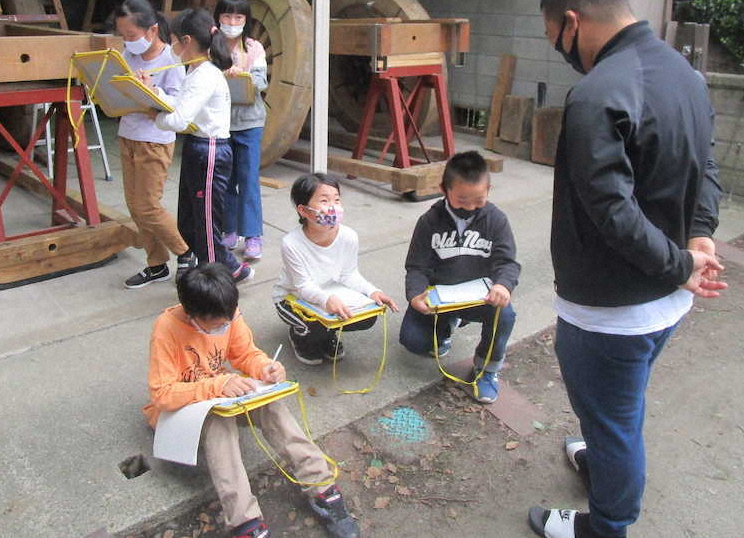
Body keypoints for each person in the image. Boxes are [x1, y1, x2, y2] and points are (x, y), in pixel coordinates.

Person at [527, 0, 727, 538]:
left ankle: (607, 524)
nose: (561, 51)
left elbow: (609, 209)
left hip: (612, 308)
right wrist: (698, 235)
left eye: (555, 38)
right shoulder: (684, 74)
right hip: (667, 300)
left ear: (573, 22)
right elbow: (707, 164)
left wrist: (679, 262)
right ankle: (603, 462)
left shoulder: (597, 93)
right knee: (619, 405)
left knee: (613, 420)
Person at [142, 263, 361, 538]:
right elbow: (162, 394)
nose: (226, 326)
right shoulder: (166, 328)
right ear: (192, 314)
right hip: (180, 410)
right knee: (219, 425)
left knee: (270, 405)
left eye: (228, 320)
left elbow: (245, 353)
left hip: (220, 395)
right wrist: (218, 384)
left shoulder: (228, 313)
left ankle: (321, 485)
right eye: (218, 325)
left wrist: (265, 367)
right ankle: (244, 521)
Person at [399, 151, 520, 403]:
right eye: (462, 200)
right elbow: (417, 266)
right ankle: (447, 324)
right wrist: (416, 295)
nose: (470, 207)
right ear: (444, 189)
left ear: (488, 190)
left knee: (505, 314)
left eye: (478, 200)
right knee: (413, 341)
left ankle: (486, 370)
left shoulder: (496, 220)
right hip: (441, 297)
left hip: (480, 297)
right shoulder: (429, 221)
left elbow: (507, 262)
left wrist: (503, 285)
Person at [148, 8, 252, 284]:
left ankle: (219, 279)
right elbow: (180, 104)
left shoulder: (205, 75)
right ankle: (220, 270)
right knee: (190, 219)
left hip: (210, 151)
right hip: (199, 148)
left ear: (187, 41)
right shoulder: (194, 72)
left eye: (173, 41)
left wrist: (154, 116)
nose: (171, 48)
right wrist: (153, 92)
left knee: (205, 223)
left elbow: (179, 119)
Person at [111, 0, 195, 288]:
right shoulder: (126, 54)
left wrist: (150, 91)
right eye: (123, 36)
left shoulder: (172, 59)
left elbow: (177, 103)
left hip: (155, 140)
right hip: (128, 135)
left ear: (152, 30)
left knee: (148, 206)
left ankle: (186, 253)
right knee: (135, 206)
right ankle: (156, 264)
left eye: (131, 35)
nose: (127, 41)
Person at [273, 173, 398, 365]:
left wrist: (372, 292)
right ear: (303, 210)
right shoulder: (291, 243)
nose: (333, 207)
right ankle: (300, 335)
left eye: (337, 200)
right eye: (324, 201)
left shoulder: (349, 236)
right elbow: (303, 286)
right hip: (291, 297)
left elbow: (349, 274)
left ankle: (328, 331)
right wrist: (326, 300)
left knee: (367, 317)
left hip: (328, 291)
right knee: (313, 326)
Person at [215, 0, 268, 260]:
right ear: (218, 17)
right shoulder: (211, 46)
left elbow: (260, 82)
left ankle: (253, 235)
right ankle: (229, 230)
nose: (232, 22)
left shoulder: (253, 48)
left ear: (246, 20)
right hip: (220, 123)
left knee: (248, 180)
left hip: (249, 123)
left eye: (238, 17)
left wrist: (241, 75)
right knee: (225, 181)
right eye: (227, 16)